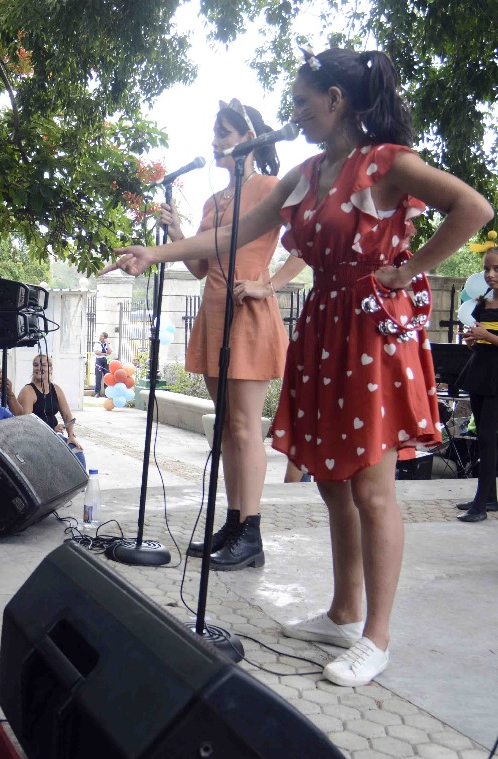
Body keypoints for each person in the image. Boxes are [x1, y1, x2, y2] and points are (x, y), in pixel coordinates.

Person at [106, 48, 493, 686]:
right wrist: (156, 251)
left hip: (371, 330)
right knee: (333, 480)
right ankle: (344, 612)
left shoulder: (388, 162)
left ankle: (378, 635)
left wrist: (407, 268)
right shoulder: (309, 173)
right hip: (325, 325)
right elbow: (232, 237)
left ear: (336, 99)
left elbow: (474, 209)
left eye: (302, 102)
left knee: (372, 487)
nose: (294, 115)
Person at [158, 98, 306, 570]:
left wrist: (270, 285)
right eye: (215, 132)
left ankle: (252, 531)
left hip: (249, 314)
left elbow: (304, 245)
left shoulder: (269, 186)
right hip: (214, 313)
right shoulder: (214, 200)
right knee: (225, 429)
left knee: (244, 429)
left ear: (247, 137)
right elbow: (199, 267)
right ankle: (234, 520)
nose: (216, 141)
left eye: (223, 132)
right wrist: (179, 229)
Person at [452, 249, 498, 522]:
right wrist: (474, 340)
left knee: (488, 437)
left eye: (497, 269)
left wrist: (487, 336)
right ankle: (489, 497)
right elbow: (483, 338)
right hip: (480, 372)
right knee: (482, 435)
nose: (491, 275)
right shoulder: (483, 303)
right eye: (487, 269)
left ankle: (480, 505)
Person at [17, 354, 86, 468]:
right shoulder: (28, 391)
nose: (39, 368)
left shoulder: (56, 389)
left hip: (53, 436)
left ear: (51, 369)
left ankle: (82, 485)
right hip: (35, 439)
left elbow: (67, 415)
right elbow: (27, 425)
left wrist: (71, 435)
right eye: (35, 365)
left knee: (77, 451)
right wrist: (52, 430)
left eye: (43, 365)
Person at [93, 332, 112, 397]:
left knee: (107, 376)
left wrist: (108, 343)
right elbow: (96, 352)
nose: (99, 337)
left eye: (101, 336)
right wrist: (104, 353)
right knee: (98, 376)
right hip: (99, 360)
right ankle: (97, 392)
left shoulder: (108, 344)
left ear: (104, 338)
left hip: (106, 360)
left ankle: (106, 392)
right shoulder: (97, 343)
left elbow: (109, 352)